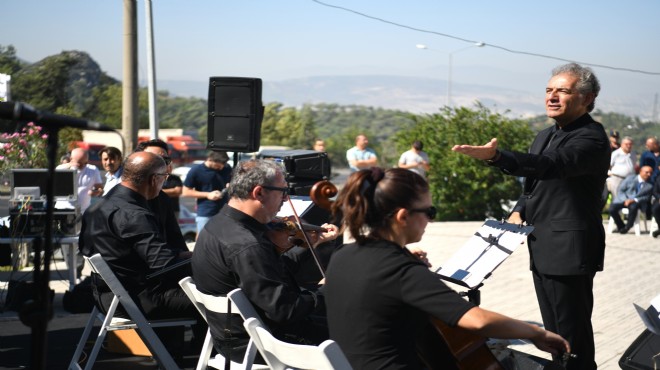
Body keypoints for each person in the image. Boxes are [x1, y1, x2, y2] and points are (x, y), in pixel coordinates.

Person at [324, 167, 569, 369]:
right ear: (402, 216)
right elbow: (478, 321)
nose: (431, 220)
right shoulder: (400, 270)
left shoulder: (342, 256)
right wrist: (536, 333)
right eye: (429, 212)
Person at [451, 62, 608, 370]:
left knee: (572, 339)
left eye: (562, 90)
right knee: (553, 335)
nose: (552, 96)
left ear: (587, 98)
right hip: (542, 247)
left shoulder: (591, 137)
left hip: (569, 251)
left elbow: (550, 165)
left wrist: (497, 157)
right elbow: (532, 186)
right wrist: (518, 209)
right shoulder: (545, 134)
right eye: (549, 90)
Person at [191, 159, 338, 359]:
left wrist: (311, 245)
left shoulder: (217, 225)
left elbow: (266, 275)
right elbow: (285, 310)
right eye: (283, 192)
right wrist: (327, 290)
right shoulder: (248, 245)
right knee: (362, 331)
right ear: (259, 192)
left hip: (231, 336)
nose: (286, 200)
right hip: (262, 343)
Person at [79, 152, 202, 353]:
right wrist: (199, 259)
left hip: (105, 296)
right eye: (164, 178)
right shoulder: (134, 215)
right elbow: (164, 265)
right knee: (221, 301)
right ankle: (211, 359)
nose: (164, 183)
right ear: (154, 179)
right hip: (137, 299)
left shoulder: (97, 207)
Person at [133, 139, 189, 251]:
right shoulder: (122, 200)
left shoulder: (163, 199)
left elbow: (175, 240)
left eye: (165, 159)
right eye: (153, 158)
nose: (160, 164)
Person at [182, 150, 232, 234]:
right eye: (219, 164)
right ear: (210, 160)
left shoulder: (227, 168)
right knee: (203, 238)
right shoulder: (196, 170)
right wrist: (208, 195)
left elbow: (231, 181)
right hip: (206, 211)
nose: (222, 167)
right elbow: (185, 192)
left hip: (225, 210)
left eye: (224, 164)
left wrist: (230, 185)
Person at [56, 147, 103, 214]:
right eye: (80, 163)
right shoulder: (62, 169)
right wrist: (69, 165)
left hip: (83, 212)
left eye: (85, 163)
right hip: (62, 210)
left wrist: (96, 192)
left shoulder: (93, 170)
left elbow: (99, 187)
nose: (83, 165)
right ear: (71, 159)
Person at [609, 165, 653, 234]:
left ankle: (628, 226)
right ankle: (621, 226)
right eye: (647, 172)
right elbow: (621, 190)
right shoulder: (630, 178)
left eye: (650, 173)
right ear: (640, 171)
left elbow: (647, 197)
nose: (649, 174)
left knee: (633, 206)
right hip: (624, 199)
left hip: (637, 202)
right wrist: (626, 199)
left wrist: (634, 200)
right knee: (612, 209)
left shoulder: (650, 185)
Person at [604, 136, 636, 202]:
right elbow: (609, 165)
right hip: (617, 178)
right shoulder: (616, 153)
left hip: (629, 178)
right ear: (622, 144)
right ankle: (615, 211)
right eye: (626, 144)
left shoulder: (633, 154)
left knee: (628, 195)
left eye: (630, 144)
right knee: (616, 196)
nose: (628, 146)